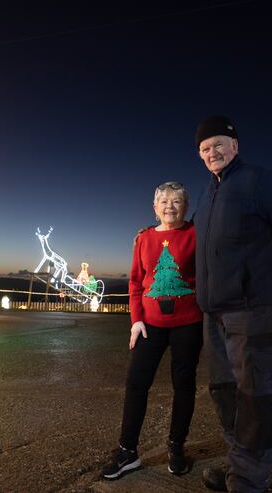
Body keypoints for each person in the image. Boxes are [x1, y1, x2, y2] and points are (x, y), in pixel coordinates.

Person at [193, 115, 272, 492]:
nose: (213, 153)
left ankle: (249, 479)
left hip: (251, 310)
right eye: (205, 148)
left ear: (235, 146)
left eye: (218, 145)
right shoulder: (207, 192)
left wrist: (269, 277)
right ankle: (237, 464)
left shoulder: (258, 180)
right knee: (224, 391)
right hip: (214, 311)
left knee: (255, 393)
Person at [101, 181, 204, 480]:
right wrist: (136, 320)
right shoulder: (144, 238)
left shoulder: (196, 235)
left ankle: (176, 447)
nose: (170, 206)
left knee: (183, 385)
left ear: (185, 206)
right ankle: (128, 452)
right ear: (154, 207)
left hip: (188, 322)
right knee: (136, 383)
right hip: (149, 324)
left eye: (177, 201)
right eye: (164, 201)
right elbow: (135, 282)